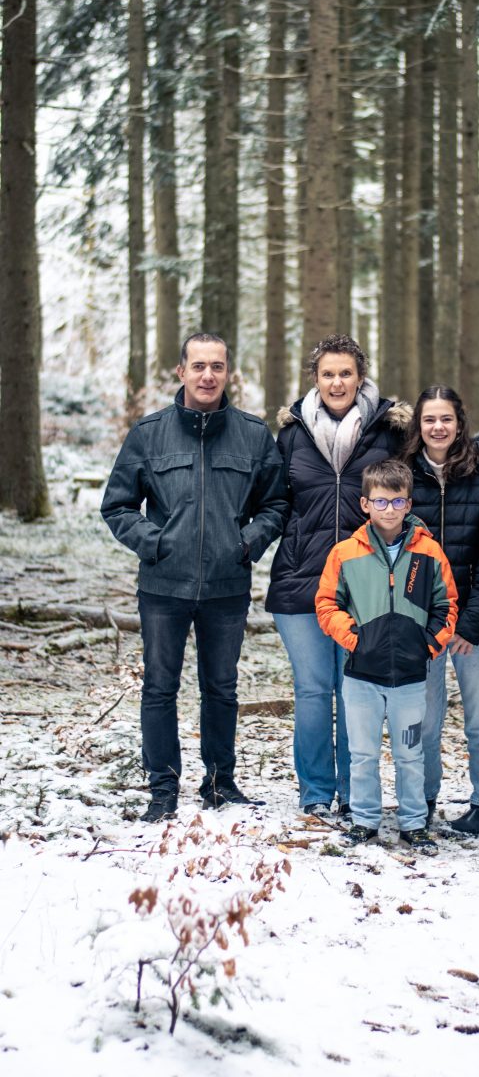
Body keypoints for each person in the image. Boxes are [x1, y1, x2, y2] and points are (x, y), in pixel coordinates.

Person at [101, 333, 288, 823]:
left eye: (218, 366)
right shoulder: (149, 433)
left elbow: (276, 504)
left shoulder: (252, 434)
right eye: (199, 366)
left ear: (228, 373)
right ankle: (162, 788)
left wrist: (247, 542)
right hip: (163, 588)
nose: (208, 375)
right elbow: (117, 505)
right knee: (160, 688)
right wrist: (156, 542)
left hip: (227, 587)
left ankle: (220, 783)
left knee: (221, 688)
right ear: (181, 372)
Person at [265, 335, 410, 820]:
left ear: (360, 377)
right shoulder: (292, 433)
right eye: (328, 373)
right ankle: (315, 790)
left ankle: (355, 788)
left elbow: (415, 490)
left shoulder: (388, 432)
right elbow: (272, 501)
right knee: (310, 688)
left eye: (346, 373)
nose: (337, 382)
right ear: (315, 378)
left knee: (354, 687)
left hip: (365, 582)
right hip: (299, 577)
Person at [315, 459, 458, 855]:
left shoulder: (429, 552)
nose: (389, 510)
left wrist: (426, 645)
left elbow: (446, 606)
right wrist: (356, 640)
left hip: (411, 679)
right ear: (365, 504)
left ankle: (414, 822)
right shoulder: (345, 553)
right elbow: (327, 603)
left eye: (397, 502)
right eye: (380, 501)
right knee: (362, 754)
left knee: (410, 754)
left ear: (409, 504)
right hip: (361, 676)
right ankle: (364, 819)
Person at [404, 387, 479, 835]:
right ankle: (423, 799)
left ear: (460, 424)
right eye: (429, 420)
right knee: (424, 717)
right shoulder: (404, 477)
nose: (438, 428)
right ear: (418, 426)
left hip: (472, 623)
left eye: (446, 419)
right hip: (419, 620)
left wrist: (473, 621)